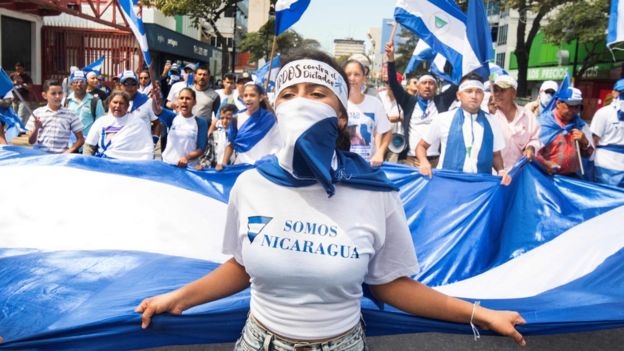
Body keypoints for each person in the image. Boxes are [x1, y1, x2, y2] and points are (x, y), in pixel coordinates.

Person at [135, 49, 527, 351]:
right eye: (289, 94)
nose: (301, 101)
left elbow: (390, 285)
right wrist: (179, 297)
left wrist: (479, 314)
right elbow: (242, 265)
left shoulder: (375, 192)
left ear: (341, 115)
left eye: (317, 93)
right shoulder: (251, 185)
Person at [416, 73, 511, 185]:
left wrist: (501, 170)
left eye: (478, 91)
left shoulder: (492, 121)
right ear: (458, 95)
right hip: (447, 184)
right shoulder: (443, 118)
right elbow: (421, 146)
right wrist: (423, 161)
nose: (474, 96)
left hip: (480, 187)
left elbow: (496, 155)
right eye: (469, 91)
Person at [385, 43, 458, 167]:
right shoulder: (409, 102)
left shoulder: (441, 101)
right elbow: (393, 82)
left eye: (431, 83)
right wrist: (391, 59)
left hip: (435, 161)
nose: (427, 86)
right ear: (418, 87)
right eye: (424, 83)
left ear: (435, 87)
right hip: (410, 160)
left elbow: (457, 84)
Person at [217, 82, 280, 170]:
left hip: (264, 167)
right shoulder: (236, 118)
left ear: (260, 97)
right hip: (241, 166)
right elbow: (231, 143)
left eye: (252, 95)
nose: (248, 98)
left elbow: (277, 143)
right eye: (245, 95)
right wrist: (223, 163)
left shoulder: (270, 118)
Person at [344, 59, 392, 166]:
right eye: (348, 74)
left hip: (368, 165)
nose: (352, 78)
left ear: (364, 78)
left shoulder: (375, 103)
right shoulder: (337, 104)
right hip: (344, 164)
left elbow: (387, 132)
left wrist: (380, 153)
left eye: (357, 74)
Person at [536, 87, 593, 176]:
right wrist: (545, 164)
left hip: (572, 179)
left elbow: (588, 155)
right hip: (547, 178)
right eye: (570, 106)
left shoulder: (580, 125)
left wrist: (585, 143)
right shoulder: (543, 124)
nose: (574, 111)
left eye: (577, 107)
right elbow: (530, 152)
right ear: (558, 103)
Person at [83, 90, 153, 160]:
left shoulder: (138, 124)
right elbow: (89, 146)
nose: (117, 106)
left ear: (127, 106)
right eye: (115, 102)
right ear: (109, 104)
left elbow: (146, 150)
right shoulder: (101, 121)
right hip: (101, 165)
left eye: (121, 103)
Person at [491, 75, 541, 170]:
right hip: (494, 174)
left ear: (513, 93)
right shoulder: (489, 115)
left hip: (520, 173)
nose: (498, 94)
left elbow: (535, 138)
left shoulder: (527, 115)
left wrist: (531, 148)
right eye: (496, 90)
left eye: (503, 90)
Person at [26, 80, 84, 153]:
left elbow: (80, 139)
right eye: (53, 93)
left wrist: (68, 152)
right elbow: (30, 141)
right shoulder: (37, 113)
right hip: (41, 157)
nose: (57, 96)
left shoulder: (70, 114)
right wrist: (36, 128)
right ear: (44, 95)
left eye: (60, 93)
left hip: (60, 158)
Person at [159, 88, 208, 168]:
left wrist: (186, 158)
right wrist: (155, 97)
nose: (184, 101)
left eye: (188, 98)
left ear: (194, 102)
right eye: (181, 98)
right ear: (178, 101)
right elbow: (157, 110)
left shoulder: (201, 122)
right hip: (168, 165)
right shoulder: (172, 117)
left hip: (188, 168)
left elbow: (201, 149)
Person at [590, 79, 624, 187]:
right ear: (614, 92)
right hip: (604, 165)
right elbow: (594, 140)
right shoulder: (603, 113)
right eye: (622, 93)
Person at [119, 70, 162, 146]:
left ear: (138, 85)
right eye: (126, 84)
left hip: (143, 149)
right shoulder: (115, 103)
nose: (130, 87)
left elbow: (157, 123)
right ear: (120, 86)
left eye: (133, 84)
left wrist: (154, 141)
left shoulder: (147, 101)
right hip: (122, 147)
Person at [64, 70, 106, 138]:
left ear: (87, 84)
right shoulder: (66, 101)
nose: (79, 84)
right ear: (71, 85)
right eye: (75, 82)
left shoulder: (95, 101)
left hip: (88, 144)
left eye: (82, 82)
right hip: (69, 144)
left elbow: (100, 123)